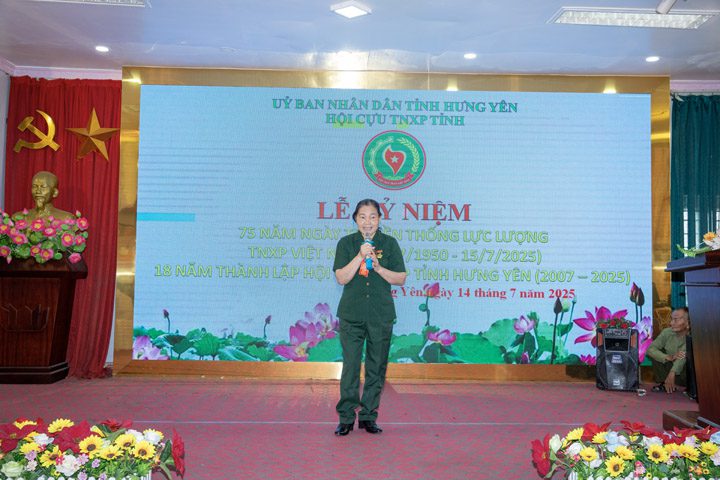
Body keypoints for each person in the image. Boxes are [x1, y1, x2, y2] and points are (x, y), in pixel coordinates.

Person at [332, 199, 407, 436]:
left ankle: (368, 416)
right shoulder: (346, 243)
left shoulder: (389, 243)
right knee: (351, 367)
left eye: (372, 217)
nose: (368, 222)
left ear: (379, 219)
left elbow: (401, 278)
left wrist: (379, 267)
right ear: (355, 219)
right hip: (351, 315)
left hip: (380, 315)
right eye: (362, 217)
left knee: (376, 368)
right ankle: (346, 417)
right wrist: (359, 256)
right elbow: (341, 278)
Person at [646, 307, 690, 394]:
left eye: (675, 320)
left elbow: (682, 355)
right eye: (671, 319)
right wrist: (668, 357)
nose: (671, 323)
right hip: (671, 373)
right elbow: (650, 349)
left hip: (686, 375)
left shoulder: (695, 335)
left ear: (688, 322)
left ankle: (691, 387)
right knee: (657, 352)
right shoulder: (667, 332)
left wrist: (672, 372)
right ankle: (665, 383)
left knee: (687, 354)